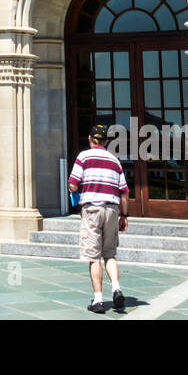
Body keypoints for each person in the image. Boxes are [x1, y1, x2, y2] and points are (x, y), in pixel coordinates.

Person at [68, 123, 130, 314]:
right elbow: (124, 191)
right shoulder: (114, 160)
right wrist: (124, 215)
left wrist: (74, 192)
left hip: (92, 209)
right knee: (109, 254)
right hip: (112, 209)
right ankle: (117, 288)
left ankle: (98, 300)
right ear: (106, 141)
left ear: (90, 139)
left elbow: (73, 184)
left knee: (93, 257)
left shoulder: (83, 157)